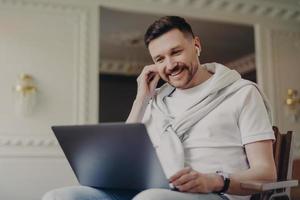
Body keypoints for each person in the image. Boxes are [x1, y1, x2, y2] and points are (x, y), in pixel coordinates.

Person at [43, 16, 276, 200]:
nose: (170, 65)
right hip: (149, 190)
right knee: (59, 196)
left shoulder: (243, 93)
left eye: (176, 52)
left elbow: (266, 173)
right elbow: (122, 158)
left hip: (214, 193)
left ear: (196, 45)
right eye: (159, 59)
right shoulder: (156, 100)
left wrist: (214, 180)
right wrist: (141, 99)